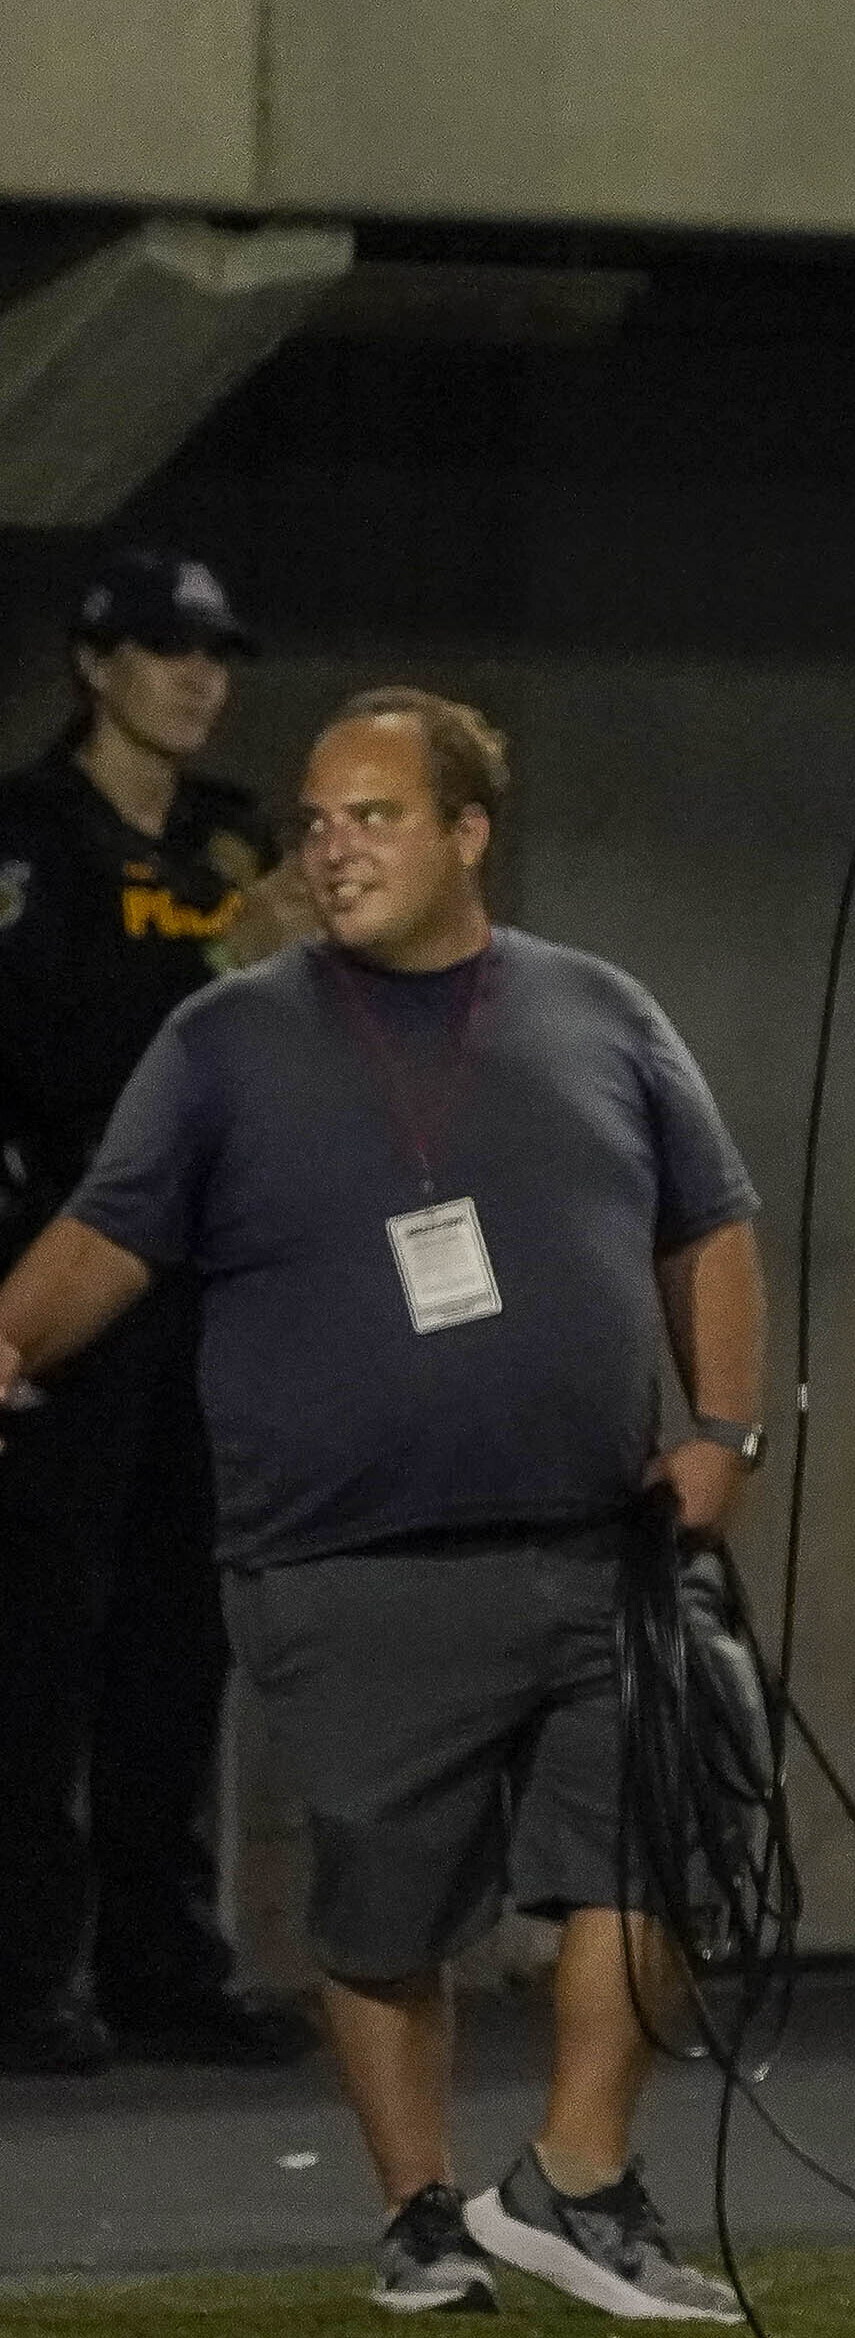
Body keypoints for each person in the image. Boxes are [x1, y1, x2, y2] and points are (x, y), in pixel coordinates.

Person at [0, 689, 761, 2316]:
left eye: (376, 817)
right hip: (341, 1559)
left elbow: (713, 1224)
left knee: (672, 1839)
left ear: (469, 834)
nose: (332, 849)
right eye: (317, 821)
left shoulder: (600, 1013)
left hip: (598, 1542)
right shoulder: (227, 1036)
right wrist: (7, 1337)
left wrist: (726, 1428)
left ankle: (575, 2176)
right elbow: (108, 1234)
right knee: (383, 1906)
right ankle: (421, 2209)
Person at [0, 544, 315, 2076]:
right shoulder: (30, 837)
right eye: (169, 650)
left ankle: (161, 1957)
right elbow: (51, 1049)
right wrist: (220, 953)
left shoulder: (231, 836)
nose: (201, 679)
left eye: (217, 653)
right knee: (41, 1632)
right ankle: (23, 1969)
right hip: (59, 1265)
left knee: (183, 1636)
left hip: (216, 1285)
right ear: (95, 666)